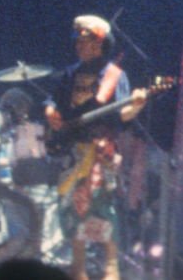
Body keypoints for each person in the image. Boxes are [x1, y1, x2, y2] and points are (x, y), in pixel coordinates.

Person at [44, 15, 132, 280]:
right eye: (78, 41)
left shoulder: (114, 75)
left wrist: (136, 105)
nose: (79, 46)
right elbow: (53, 99)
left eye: (85, 41)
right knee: (71, 207)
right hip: (72, 150)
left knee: (103, 208)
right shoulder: (70, 74)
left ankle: (111, 268)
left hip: (100, 150)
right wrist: (49, 110)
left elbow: (123, 114)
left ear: (99, 43)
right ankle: (78, 268)